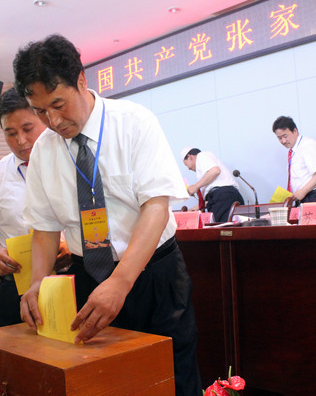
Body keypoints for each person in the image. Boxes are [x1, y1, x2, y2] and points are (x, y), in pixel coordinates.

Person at [14, 34, 201, 396]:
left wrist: (120, 282)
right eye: (40, 111)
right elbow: (45, 228)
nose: (53, 120)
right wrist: (37, 281)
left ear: (81, 80)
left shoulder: (134, 122)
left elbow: (155, 207)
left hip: (152, 275)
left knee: (170, 378)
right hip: (88, 279)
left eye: (58, 104)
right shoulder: (44, 151)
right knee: (104, 383)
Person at [0, 88, 57, 327]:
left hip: (70, 278)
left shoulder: (69, 162)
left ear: (44, 119)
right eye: (11, 133)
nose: (21, 140)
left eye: (28, 129)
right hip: (17, 282)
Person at [272, 116, 316, 204]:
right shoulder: (293, 151)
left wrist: (303, 191)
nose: (283, 141)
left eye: (285, 136)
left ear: (295, 131)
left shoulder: (308, 145)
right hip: (304, 198)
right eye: (279, 138)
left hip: (315, 196)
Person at [181, 147, 244, 222]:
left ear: (190, 156)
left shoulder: (201, 156)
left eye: (186, 164)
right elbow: (214, 190)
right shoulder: (206, 165)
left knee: (222, 228)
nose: (188, 168)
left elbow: (215, 171)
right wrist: (199, 206)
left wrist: (195, 186)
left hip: (223, 198)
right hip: (229, 197)